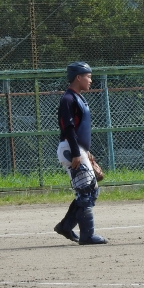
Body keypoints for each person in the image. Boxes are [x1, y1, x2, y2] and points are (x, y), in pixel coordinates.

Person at [54, 61, 107, 245]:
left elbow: (79, 128)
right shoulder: (68, 99)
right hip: (71, 149)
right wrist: (77, 153)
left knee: (90, 190)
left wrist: (85, 152)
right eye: (88, 76)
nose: (90, 80)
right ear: (78, 77)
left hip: (77, 148)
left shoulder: (78, 98)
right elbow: (68, 128)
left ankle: (66, 226)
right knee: (86, 192)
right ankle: (87, 235)